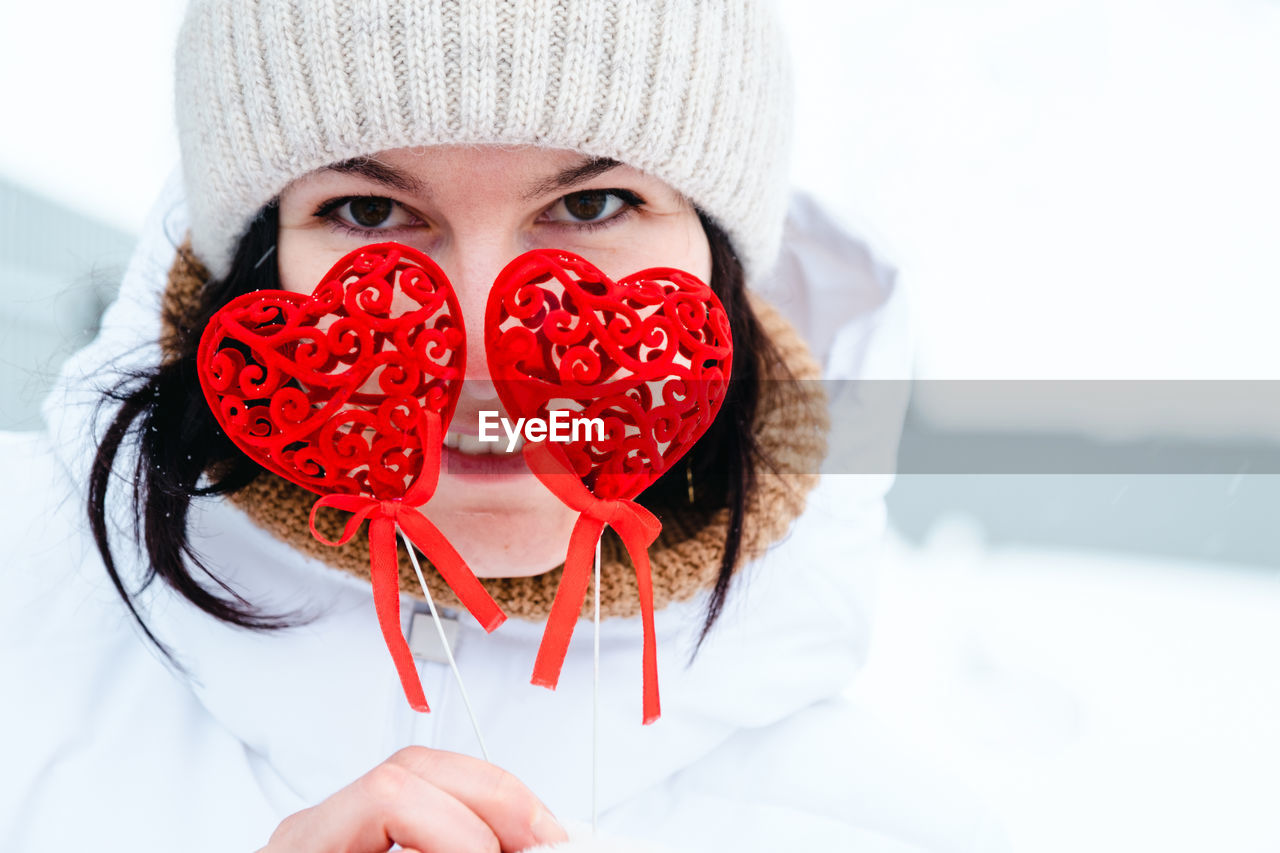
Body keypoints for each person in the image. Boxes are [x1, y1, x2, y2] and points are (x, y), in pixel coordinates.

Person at [0, 1, 1006, 851]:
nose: (479, 335)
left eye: (594, 201)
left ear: (716, 258)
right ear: (262, 260)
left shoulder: (874, 817)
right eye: (367, 212)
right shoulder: (27, 658)